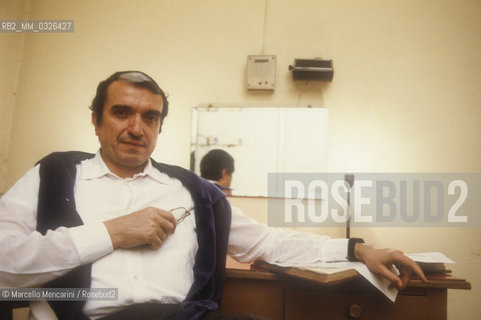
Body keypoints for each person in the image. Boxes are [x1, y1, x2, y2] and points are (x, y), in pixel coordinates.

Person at [0, 71, 427, 320]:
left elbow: (268, 241)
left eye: (150, 117)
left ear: (160, 127)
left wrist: (358, 248)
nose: (136, 128)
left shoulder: (193, 190)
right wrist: (111, 232)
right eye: (121, 112)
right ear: (95, 120)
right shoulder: (53, 172)